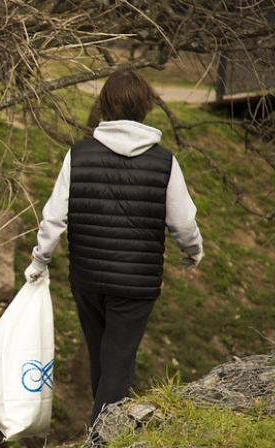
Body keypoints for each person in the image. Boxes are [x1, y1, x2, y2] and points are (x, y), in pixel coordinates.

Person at [24, 70, 204, 425]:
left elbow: (54, 217)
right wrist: (192, 252)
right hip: (136, 283)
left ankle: (100, 428)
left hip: (87, 278)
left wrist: (39, 260)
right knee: (119, 358)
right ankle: (102, 439)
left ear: (104, 104)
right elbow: (183, 222)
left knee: (101, 355)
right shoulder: (164, 162)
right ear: (146, 106)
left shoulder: (79, 155)